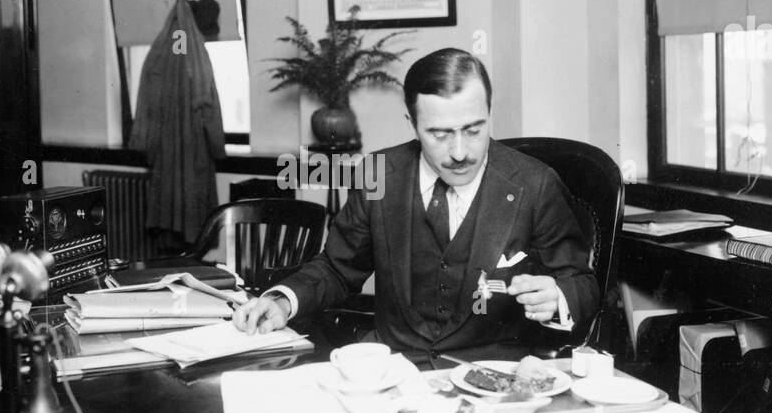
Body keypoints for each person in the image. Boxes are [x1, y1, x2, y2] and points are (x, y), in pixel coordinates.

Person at [232, 48, 599, 353]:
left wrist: (559, 296)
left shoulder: (534, 184)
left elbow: (581, 282)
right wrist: (283, 301)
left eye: (474, 129)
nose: (460, 153)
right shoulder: (378, 174)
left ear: (490, 111)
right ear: (412, 122)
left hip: (493, 382)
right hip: (394, 373)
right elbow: (336, 268)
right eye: (439, 134)